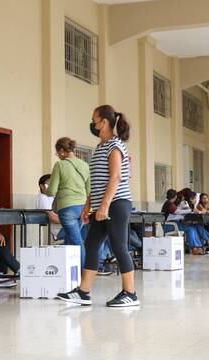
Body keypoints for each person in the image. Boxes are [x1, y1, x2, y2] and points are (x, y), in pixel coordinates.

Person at [57, 105, 139, 307]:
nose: (92, 124)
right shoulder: (101, 147)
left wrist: (104, 206)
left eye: (94, 120)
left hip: (117, 203)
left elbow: (116, 177)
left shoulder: (115, 145)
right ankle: (84, 292)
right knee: (92, 244)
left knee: (118, 245)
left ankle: (130, 293)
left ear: (104, 122)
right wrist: (88, 206)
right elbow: (98, 180)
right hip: (103, 203)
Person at [45, 138, 90, 268]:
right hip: (82, 207)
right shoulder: (85, 165)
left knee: (76, 242)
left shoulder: (60, 165)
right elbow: (88, 190)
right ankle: (70, 274)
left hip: (67, 208)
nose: (58, 156)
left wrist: (45, 190)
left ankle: (83, 275)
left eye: (57, 153)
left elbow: (52, 190)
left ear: (62, 151)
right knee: (71, 240)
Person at [161, 189, 204, 255]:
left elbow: (176, 213)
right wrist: (190, 210)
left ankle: (198, 247)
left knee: (192, 227)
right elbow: (176, 212)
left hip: (174, 224)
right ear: (175, 196)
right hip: (169, 226)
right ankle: (194, 248)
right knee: (190, 229)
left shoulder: (170, 203)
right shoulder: (169, 204)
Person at [36, 174, 64, 243]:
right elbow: (53, 217)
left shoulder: (52, 196)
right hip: (58, 230)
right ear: (42, 186)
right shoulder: (42, 198)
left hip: (63, 227)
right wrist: (70, 221)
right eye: (49, 183)